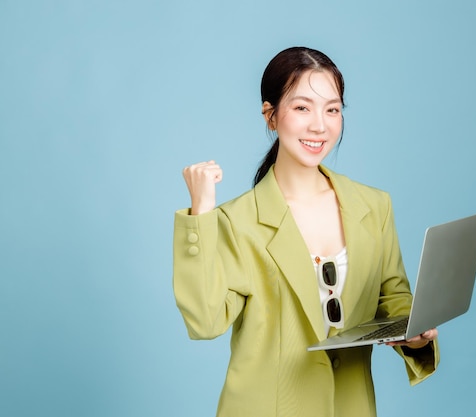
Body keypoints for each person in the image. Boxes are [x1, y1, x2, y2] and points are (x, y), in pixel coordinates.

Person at [173, 46, 439, 417]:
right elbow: (205, 320)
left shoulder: (374, 206)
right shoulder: (237, 220)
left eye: (332, 109)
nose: (320, 125)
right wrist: (201, 211)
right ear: (270, 115)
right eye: (302, 108)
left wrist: (413, 332)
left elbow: (392, 297)